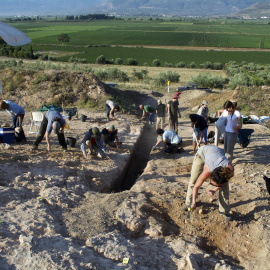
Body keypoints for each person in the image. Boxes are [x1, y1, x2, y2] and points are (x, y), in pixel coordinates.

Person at [183, 145, 234, 221]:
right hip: (202, 153)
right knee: (193, 180)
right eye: (212, 183)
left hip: (217, 152)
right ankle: (188, 203)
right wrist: (193, 202)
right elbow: (196, 186)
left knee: (225, 188)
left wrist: (214, 190)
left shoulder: (229, 169)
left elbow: (223, 183)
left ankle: (224, 211)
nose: (212, 185)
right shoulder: (207, 171)